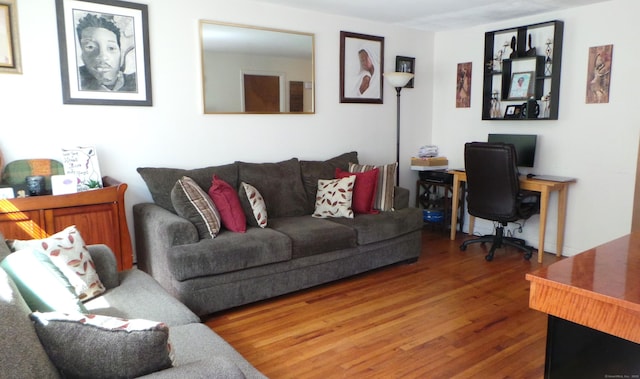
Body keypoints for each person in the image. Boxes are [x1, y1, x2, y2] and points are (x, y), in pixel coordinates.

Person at [75, 13, 136, 92]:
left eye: (111, 48)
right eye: (90, 47)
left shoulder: (136, 81)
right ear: (81, 54)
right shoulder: (76, 80)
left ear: (120, 52)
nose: (103, 57)